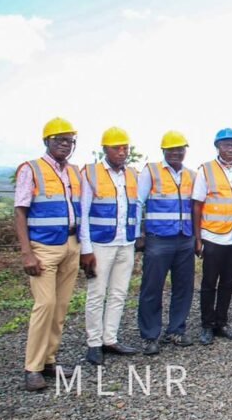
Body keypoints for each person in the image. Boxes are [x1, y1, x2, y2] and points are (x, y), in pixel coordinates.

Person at [15, 118, 81, 391]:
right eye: (59, 140)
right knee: (44, 306)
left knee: (61, 306)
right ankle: (32, 367)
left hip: (70, 245)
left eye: (69, 141)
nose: (65, 145)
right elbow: (20, 211)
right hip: (43, 248)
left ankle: (49, 360)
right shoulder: (31, 169)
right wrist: (27, 253)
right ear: (47, 142)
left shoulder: (74, 172)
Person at [80, 127, 140, 365]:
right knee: (96, 293)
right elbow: (83, 212)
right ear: (105, 149)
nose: (122, 152)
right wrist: (86, 248)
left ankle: (110, 338)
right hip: (100, 243)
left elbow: (137, 207)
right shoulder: (91, 173)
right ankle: (94, 343)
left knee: (119, 293)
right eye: (117, 148)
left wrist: (138, 235)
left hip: (126, 242)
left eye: (125, 148)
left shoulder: (132, 174)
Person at [136, 131, 196, 356]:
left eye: (180, 149)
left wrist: (196, 238)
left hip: (185, 239)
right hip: (158, 239)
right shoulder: (151, 171)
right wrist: (139, 235)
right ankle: (150, 335)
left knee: (184, 287)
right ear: (163, 151)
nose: (176, 153)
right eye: (171, 149)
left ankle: (176, 330)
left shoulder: (191, 174)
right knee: (152, 288)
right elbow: (137, 203)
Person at [193, 128, 232, 345]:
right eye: (226, 145)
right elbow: (197, 205)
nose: (230, 149)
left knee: (228, 282)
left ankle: (222, 322)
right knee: (209, 282)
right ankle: (207, 325)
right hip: (214, 235)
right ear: (217, 147)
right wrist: (198, 239)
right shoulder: (205, 170)